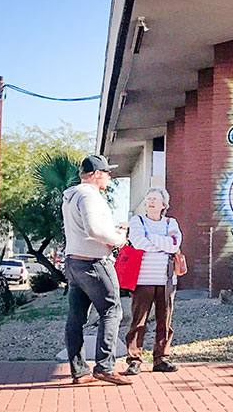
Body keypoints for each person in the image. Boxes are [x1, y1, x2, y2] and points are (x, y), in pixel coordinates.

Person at [62, 154, 132, 385]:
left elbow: (86, 229)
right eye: (107, 172)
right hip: (94, 262)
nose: (110, 177)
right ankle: (104, 367)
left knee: (76, 317)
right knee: (112, 311)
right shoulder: (89, 195)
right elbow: (93, 229)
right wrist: (119, 239)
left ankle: (79, 371)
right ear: (96, 174)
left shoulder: (71, 196)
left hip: (73, 263)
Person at [125, 187, 182, 374]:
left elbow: (174, 244)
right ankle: (134, 359)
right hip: (143, 279)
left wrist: (150, 238)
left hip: (166, 279)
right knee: (139, 319)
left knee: (164, 319)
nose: (151, 202)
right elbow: (138, 241)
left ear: (164, 204)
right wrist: (162, 243)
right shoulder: (137, 221)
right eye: (148, 198)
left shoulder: (171, 222)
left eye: (156, 199)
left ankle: (161, 359)